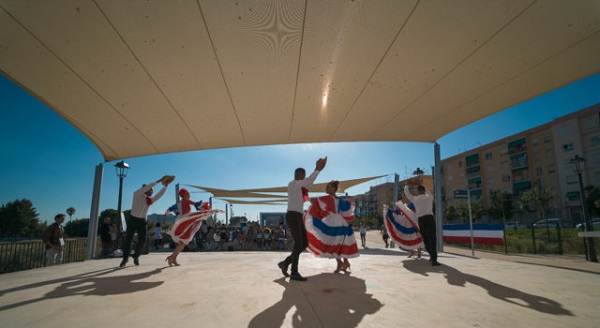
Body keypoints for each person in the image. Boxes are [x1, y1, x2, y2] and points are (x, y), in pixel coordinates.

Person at [278, 157, 327, 281]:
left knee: (304, 243)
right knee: (299, 243)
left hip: (297, 215)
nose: (305, 177)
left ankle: (285, 263)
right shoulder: (293, 184)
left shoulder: (299, 187)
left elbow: (308, 183)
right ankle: (294, 272)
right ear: (298, 175)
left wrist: (312, 200)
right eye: (303, 175)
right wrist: (317, 170)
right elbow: (309, 181)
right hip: (293, 215)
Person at [304, 180, 358, 274]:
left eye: (328, 187)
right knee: (341, 243)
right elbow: (348, 210)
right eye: (327, 187)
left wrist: (314, 201)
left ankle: (341, 263)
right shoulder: (340, 200)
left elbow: (318, 201)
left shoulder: (328, 198)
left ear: (333, 189)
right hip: (341, 222)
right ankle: (345, 262)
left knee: (333, 244)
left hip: (333, 222)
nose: (327, 189)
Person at [120, 175, 174, 268]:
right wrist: (159, 180)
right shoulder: (137, 194)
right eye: (151, 190)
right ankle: (125, 259)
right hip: (132, 220)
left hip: (142, 221)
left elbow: (159, 195)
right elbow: (148, 187)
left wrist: (165, 186)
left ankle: (136, 256)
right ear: (145, 189)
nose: (152, 191)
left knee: (142, 240)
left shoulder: (150, 200)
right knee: (128, 240)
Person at [165, 188, 217, 265]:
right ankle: (172, 257)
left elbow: (170, 208)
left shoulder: (178, 203)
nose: (189, 195)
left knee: (182, 242)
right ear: (185, 195)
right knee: (183, 242)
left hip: (182, 221)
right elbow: (196, 204)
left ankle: (173, 258)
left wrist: (166, 213)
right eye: (188, 194)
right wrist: (205, 208)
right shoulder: (186, 201)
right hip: (186, 221)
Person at [404, 179, 439, 266]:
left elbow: (407, 193)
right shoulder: (429, 197)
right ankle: (434, 259)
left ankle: (431, 255)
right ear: (424, 191)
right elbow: (428, 191)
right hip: (430, 218)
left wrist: (406, 185)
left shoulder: (415, 199)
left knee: (426, 239)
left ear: (418, 191)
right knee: (433, 238)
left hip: (421, 220)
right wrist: (421, 184)